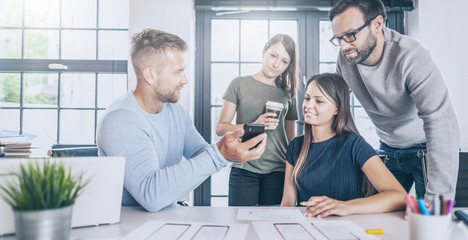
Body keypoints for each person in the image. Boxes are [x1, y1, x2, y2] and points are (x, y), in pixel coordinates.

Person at [97, 28, 267, 212]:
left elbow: (201, 154)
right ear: (150, 75)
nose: (185, 80)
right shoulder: (120, 119)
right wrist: (220, 154)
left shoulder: (177, 111)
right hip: (128, 228)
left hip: (167, 218)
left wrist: (233, 146)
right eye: (178, 72)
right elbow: (151, 194)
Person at [329, 0, 460, 201]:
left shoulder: (411, 56)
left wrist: (437, 203)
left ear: (377, 24)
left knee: (431, 225)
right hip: (388, 149)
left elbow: (441, 123)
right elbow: (334, 102)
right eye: (338, 38)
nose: (344, 46)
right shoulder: (346, 58)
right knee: (377, 219)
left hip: (426, 150)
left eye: (350, 35)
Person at [281, 73, 406, 218]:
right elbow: (288, 202)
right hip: (309, 228)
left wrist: (345, 206)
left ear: (337, 109)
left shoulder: (354, 145)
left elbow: (399, 196)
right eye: (307, 98)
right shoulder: (295, 146)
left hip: (349, 228)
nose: (308, 105)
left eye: (319, 101)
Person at [216, 34, 298, 206]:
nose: (276, 64)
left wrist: (295, 170)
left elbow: (291, 140)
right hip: (244, 166)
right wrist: (254, 125)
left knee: (271, 227)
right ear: (264, 52)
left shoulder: (288, 93)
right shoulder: (239, 84)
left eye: (284, 61)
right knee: (240, 223)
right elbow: (221, 128)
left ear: (289, 65)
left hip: (278, 169)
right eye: (273, 55)